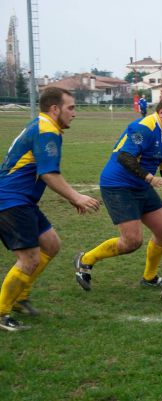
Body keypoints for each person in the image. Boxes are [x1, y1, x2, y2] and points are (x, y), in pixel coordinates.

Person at [73, 94, 162, 291]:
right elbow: (125, 157)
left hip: (141, 185)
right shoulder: (143, 127)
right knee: (132, 241)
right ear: (161, 113)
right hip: (117, 185)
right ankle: (85, 259)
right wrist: (151, 179)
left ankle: (149, 277)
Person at [0, 87, 101, 331]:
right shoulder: (46, 130)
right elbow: (48, 173)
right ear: (54, 109)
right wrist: (76, 196)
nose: (74, 113)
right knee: (29, 258)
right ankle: (2, 312)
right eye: (71, 108)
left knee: (51, 244)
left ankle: (20, 296)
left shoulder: (46, 126)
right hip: (11, 199)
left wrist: (69, 196)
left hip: (22, 199)